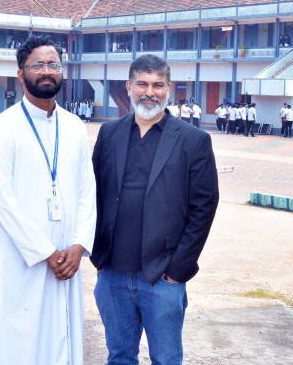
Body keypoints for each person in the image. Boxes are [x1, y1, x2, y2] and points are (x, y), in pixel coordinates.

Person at [0, 35, 97, 365]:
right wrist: (46, 252)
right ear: (20, 74)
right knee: (16, 345)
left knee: (60, 341)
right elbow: (0, 202)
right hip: (19, 259)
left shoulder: (74, 127)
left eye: (53, 64)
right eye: (37, 65)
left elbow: (87, 191)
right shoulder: (3, 128)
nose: (47, 71)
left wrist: (80, 244)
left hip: (67, 258)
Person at [91, 54, 219, 365]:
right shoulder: (109, 133)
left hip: (162, 277)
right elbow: (92, 194)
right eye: (142, 84)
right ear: (129, 87)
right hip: (113, 273)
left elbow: (204, 206)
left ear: (169, 89)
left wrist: (177, 271)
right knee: (119, 357)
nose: (150, 92)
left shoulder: (194, 140)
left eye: (158, 85)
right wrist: (97, 254)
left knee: (165, 359)